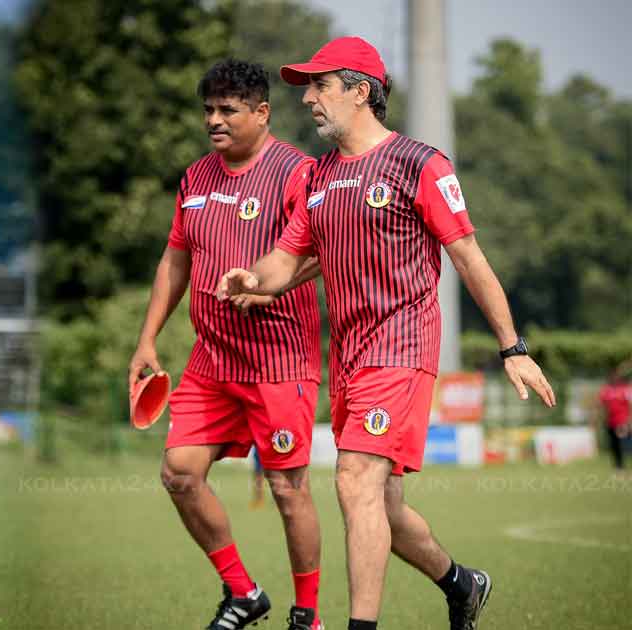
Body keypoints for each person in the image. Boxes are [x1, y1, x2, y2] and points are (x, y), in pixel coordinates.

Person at [216, 36, 557, 630]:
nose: (310, 101)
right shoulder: (318, 176)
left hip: (402, 347)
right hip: (349, 356)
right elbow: (285, 258)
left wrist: (513, 347)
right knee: (383, 506)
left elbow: (470, 259)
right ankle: (461, 582)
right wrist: (254, 277)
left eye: (320, 87)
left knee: (353, 483)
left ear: (360, 91)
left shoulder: (420, 163)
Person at [128, 59, 325, 630]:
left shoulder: (299, 172)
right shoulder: (194, 179)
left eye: (227, 110)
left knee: (289, 490)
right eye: (208, 110)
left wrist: (273, 284)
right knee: (180, 473)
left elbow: (323, 248)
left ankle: (307, 617)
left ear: (262, 113)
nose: (214, 120)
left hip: (279, 359)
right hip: (211, 360)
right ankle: (243, 592)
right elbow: (175, 259)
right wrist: (146, 341)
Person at [597, 366, 631, 470]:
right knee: (614, 444)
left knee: (622, 443)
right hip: (610, 422)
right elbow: (601, 404)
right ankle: (618, 465)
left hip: (622, 421)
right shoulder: (606, 390)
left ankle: (622, 465)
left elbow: (630, 404)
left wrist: (629, 420)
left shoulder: (625, 389)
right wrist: (600, 418)